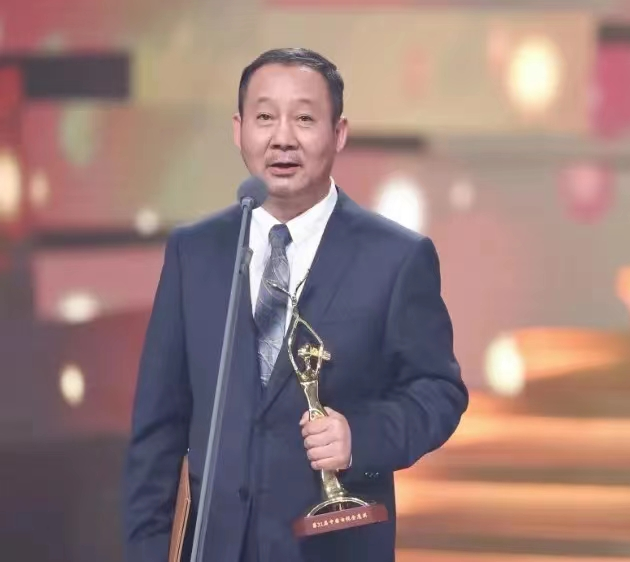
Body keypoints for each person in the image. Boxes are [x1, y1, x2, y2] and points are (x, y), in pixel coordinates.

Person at [122, 47, 468, 562]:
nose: (282, 138)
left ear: (338, 133)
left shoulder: (396, 258)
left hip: (333, 546)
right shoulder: (195, 252)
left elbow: (439, 392)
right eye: (265, 117)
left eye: (304, 119)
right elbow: (157, 429)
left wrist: (361, 437)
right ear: (239, 130)